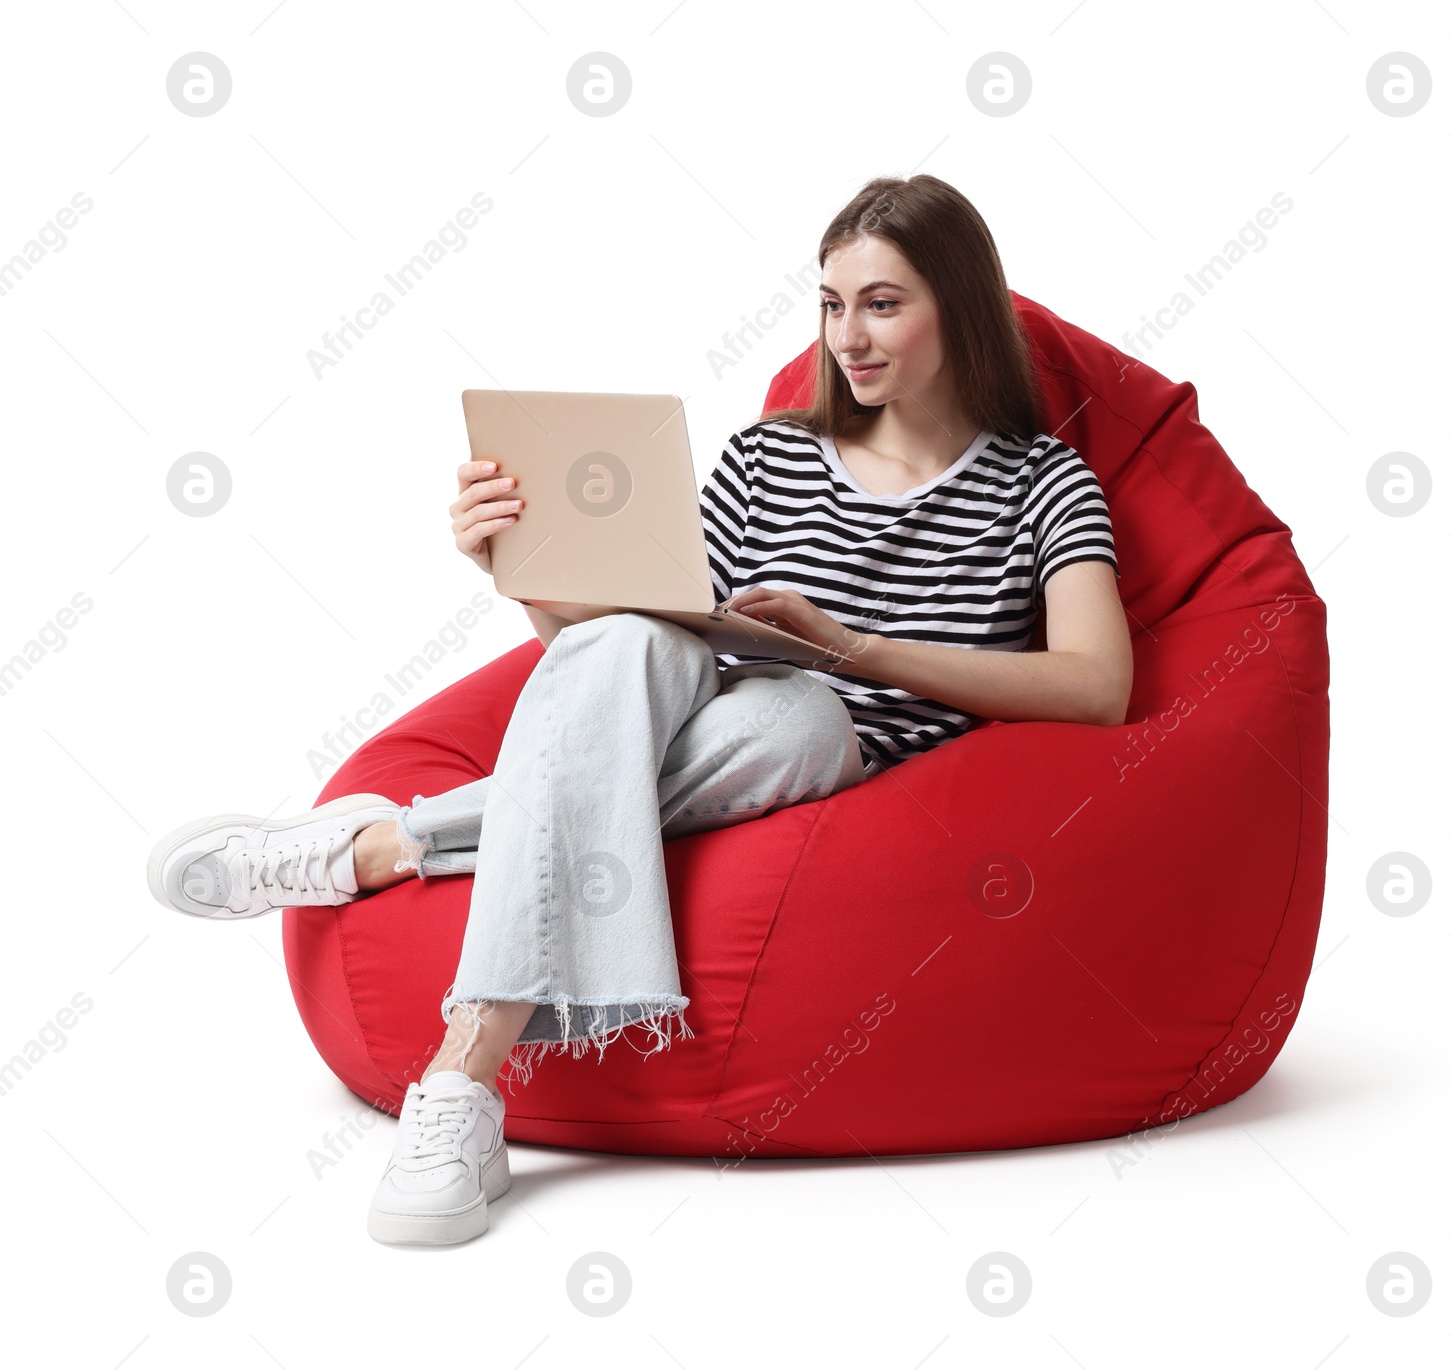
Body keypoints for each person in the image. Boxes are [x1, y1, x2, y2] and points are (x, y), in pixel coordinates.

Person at [144, 174, 1132, 1247]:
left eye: (883, 302)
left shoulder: (1043, 482)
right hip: (696, 698)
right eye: (831, 303)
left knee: (796, 716)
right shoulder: (767, 454)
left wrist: (846, 647)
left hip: (826, 738)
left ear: (963, 305)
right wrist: (519, 572)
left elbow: (1095, 684)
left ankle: (388, 844)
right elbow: (620, 649)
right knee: (620, 634)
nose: (848, 335)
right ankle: (465, 1086)